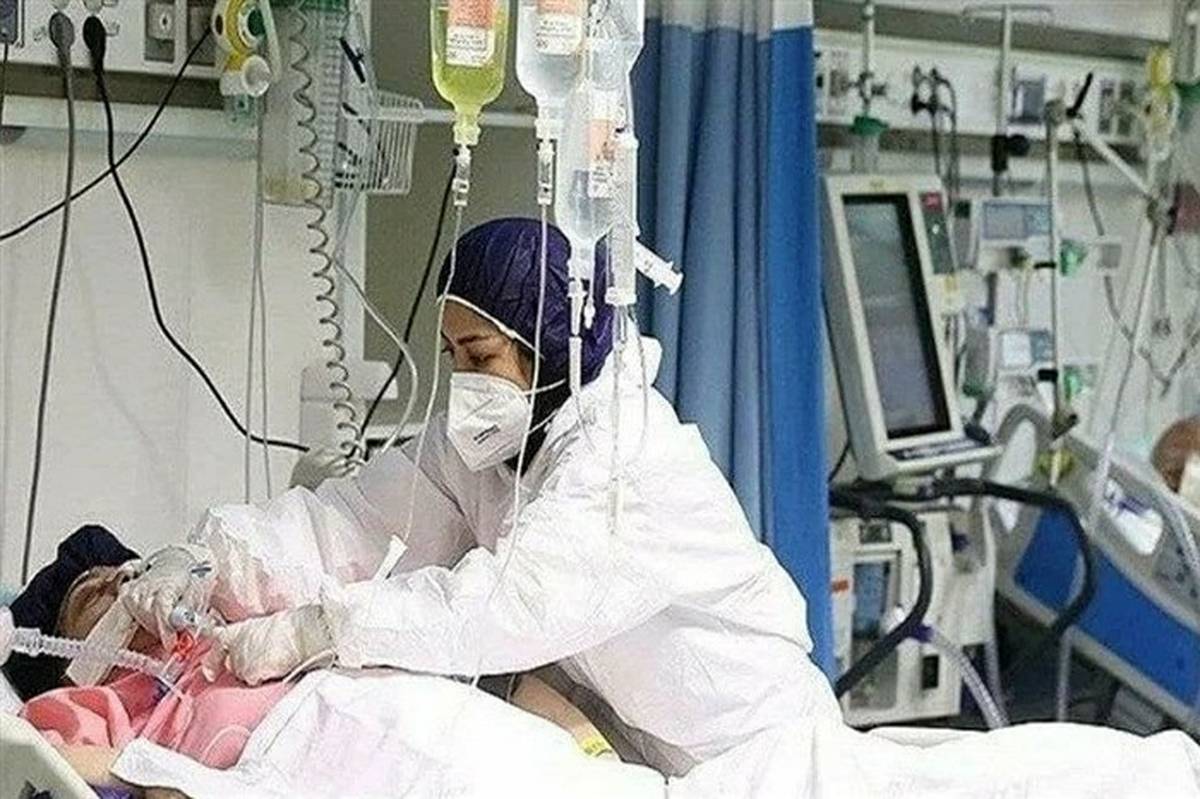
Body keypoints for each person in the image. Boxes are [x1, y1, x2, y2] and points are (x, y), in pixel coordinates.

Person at [120, 217, 839, 777]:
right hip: (639, 753)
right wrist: (208, 557)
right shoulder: (489, 441)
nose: (464, 380)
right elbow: (351, 523)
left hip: (758, 756)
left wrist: (320, 629)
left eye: (482, 355)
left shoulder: (627, 461)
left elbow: (505, 606)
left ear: (553, 346)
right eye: (452, 354)